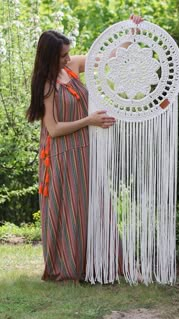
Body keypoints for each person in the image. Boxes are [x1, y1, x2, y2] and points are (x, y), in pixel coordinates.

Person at [26, 14, 143, 282]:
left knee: (97, 203)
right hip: (61, 154)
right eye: (63, 56)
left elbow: (109, 58)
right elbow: (53, 129)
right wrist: (89, 121)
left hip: (84, 149)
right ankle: (70, 265)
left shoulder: (73, 68)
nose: (69, 59)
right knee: (71, 209)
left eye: (68, 53)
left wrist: (131, 33)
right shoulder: (46, 85)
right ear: (49, 57)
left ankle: (107, 262)